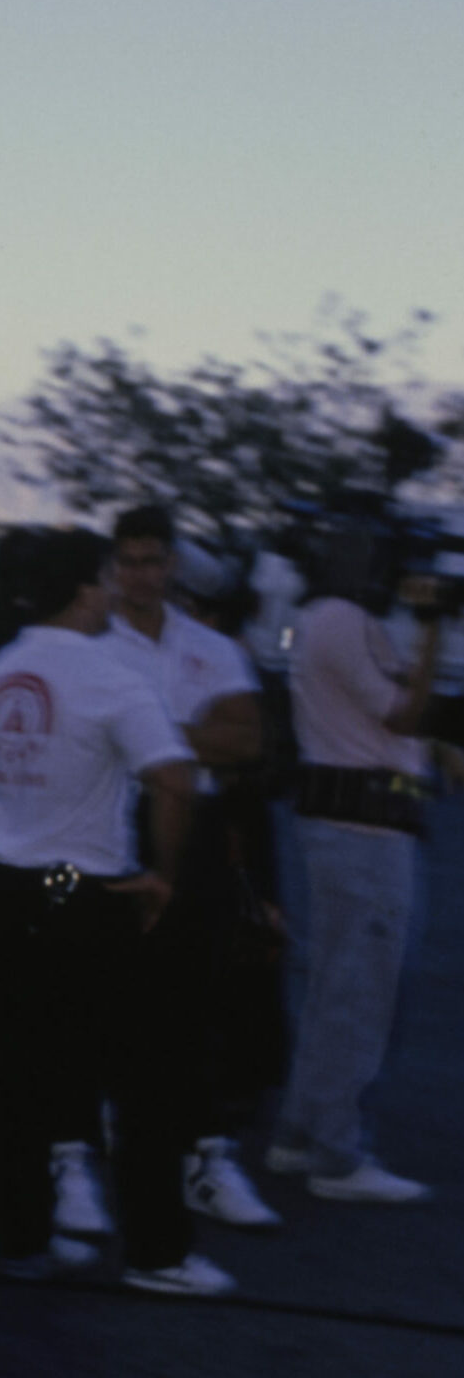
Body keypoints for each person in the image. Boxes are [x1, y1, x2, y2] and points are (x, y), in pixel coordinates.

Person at [0, 528, 229, 1297]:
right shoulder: (110, 677)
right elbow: (175, 781)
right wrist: (159, 873)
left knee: (18, 1080)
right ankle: (157, 1253)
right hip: (86, 896)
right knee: (142, 1080)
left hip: (1, 892)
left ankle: (24, 1241)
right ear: (87, 589)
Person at [98, 506, 279, 1229]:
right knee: (117, 984)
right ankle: (107, 1128)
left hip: (197, 828)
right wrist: (191, 732)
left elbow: (245, 740)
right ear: (112, 566)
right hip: (117, 823)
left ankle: (204, 1152)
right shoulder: (91, 644)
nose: (143, 574)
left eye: (154, 560)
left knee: (197, 990)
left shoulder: (209, 645)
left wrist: (145, 730)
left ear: (172, 564)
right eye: (130, 560)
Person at [264, 506, 442, 1202]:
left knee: (334, 990)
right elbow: (402, 713)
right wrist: (433, 629)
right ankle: (336, 1154)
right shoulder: (344, 620)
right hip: (363, 833)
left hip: (352, 825)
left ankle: (300, 1134)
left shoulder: (328, 618)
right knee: (360, 995)